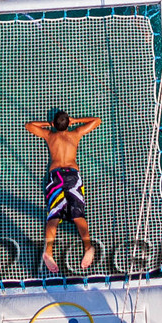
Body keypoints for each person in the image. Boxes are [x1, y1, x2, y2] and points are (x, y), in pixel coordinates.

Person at [24, 107, 100, 274]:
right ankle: (88, 247)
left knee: (54, 215)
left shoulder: (50, 135)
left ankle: (49, 251)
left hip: (55, 177)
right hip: (72, 175)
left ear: (55, 124)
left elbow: (29, 125)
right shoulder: (75, 134)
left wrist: (47, 124)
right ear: (67, 123)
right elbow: (96, 121)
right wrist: (75, 121)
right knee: (78, 215)